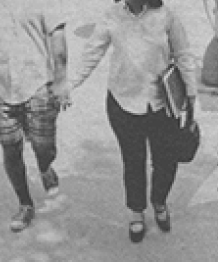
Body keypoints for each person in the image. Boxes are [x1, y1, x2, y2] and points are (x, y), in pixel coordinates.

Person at [65, 0, 201, 243]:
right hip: (123, 102)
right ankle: (136, 212)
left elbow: (183, 55)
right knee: (133, 161)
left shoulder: (167, 15)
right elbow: (92, 52)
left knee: (166, 161)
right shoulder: (112, 15)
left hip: (163, 104)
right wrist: (70, 84)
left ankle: (159, 201)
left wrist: (190, 95)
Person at [0, 0, 73, 232]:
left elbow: (57, 37)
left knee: (43, 146)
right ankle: (25, 204)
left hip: (38, 84)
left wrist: (61, 80)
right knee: (10, 148)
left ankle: (45, 167)